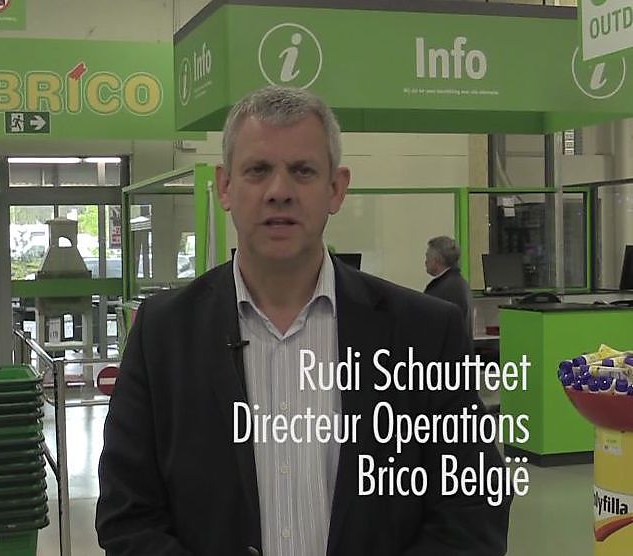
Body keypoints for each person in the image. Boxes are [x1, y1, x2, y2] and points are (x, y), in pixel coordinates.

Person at [96, 86, 511, 555]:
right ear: (225, 187)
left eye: (302, 171)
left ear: (336, 189)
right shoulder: (163, 334)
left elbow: (473, 508)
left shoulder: (424, 334)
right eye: (258, 170)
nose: (279, 192)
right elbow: (128, 517)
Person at [424, 236, 473, 343]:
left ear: (437, 260)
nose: (425, 262)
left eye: (427, 257)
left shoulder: (448, 289)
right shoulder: (457, 283)